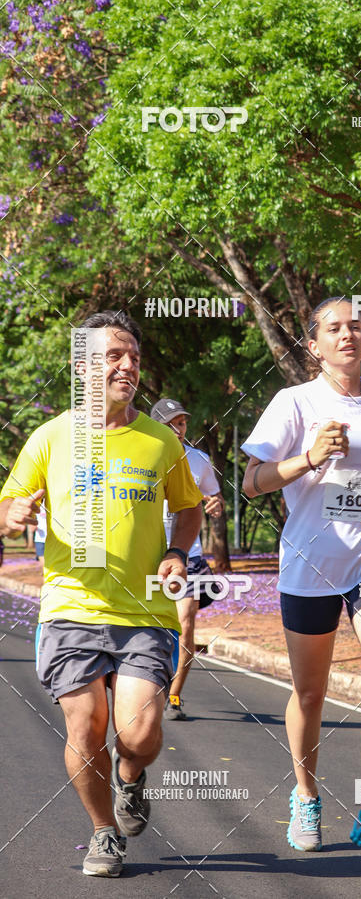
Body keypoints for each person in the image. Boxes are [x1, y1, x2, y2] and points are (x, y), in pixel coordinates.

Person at [0, 310, 203, 878]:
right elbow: (8, 506)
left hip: (144, 610)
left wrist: (175, 553)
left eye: (133, 357)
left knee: (138, 732)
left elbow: (187, 508)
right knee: (86, 728)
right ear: (82, 366)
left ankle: (131, 778)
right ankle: (103, 832)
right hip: (72, 606)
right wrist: (13, 513)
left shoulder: (160, 441)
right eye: (113, 355)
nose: (127, 366)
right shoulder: (51, 437)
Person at [241, 297, 361, 865]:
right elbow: (252, 482)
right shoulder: (292, 402)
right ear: (313, 346)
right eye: (335, 328)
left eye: (357, 326)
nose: (349, 335)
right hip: (311, 563)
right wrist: (308, 458)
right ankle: (306, 794)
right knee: (310, 693)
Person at [150, 397, 225, 720]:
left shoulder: (200, 461)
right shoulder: (143, 457)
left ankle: (175, 696)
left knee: (185, 622)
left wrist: (216, 505)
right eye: (170, 424)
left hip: (188, 555)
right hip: (149, 555)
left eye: (181, 423)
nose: (178, 429)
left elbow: (215, 496)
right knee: (152, 630)